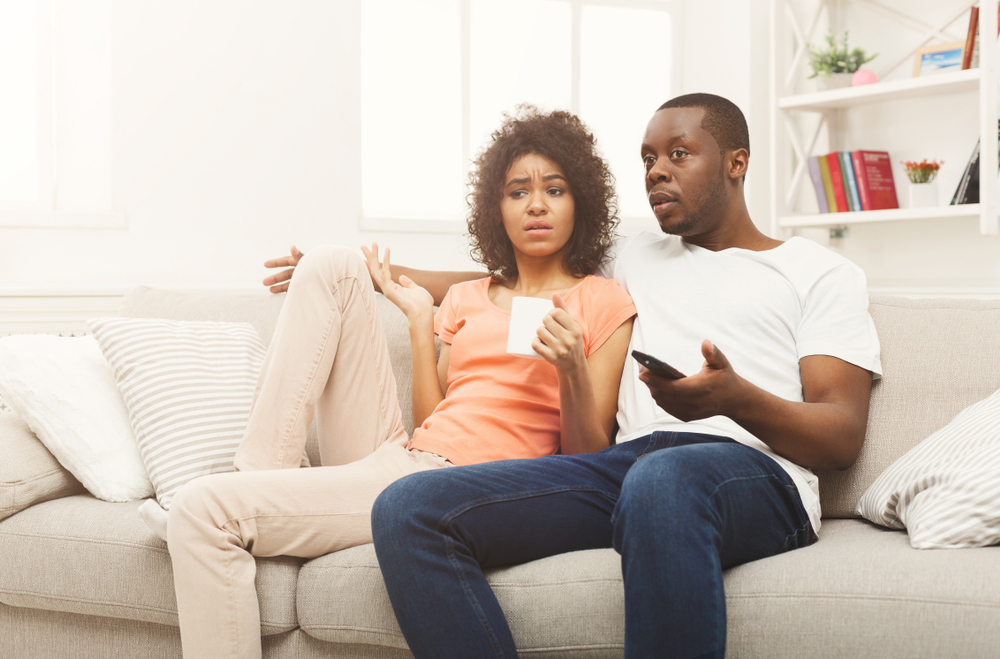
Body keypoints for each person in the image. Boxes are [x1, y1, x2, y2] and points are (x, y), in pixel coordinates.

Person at [369, 93, 883, 659]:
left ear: (737, 162)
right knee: (408, 508)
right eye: (647, 159)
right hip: (623, 470)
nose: (657, 171)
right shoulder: (630, 258)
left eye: (679, 154)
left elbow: (841, 435)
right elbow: (513, 275)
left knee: (662, 481)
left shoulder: (818, 272)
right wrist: (358, 271)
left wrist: (734, 399)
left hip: (755, 474)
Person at [164, 107, 636, 659]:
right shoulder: (465, 297)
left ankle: (247, 495)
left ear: (580, 201)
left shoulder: (600, 301)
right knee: (333, 262)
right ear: (496, 209)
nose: (536, 204)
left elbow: (588, 461)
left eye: (554, 190)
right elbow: (429, 421)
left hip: (471, 489)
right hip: (406, 458)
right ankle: (260, 479)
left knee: (201, 509)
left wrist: (571, 368)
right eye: (517, 192)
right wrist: (418, 325)